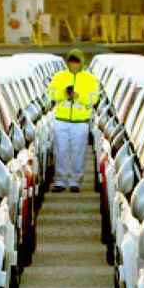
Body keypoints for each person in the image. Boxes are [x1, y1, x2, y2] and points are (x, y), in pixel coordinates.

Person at [48, 49, 99, 192]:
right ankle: (60, 181)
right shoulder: (59, 77)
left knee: (78, 152)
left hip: (80, 121)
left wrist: (78, 97)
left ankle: (75, 181)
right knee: (60, 151)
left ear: (81, 62)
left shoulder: (90, 79)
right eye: (71, 61)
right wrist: (63, 93)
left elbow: (94, 99)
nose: (73, 65)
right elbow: (51, 94)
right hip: (61, 120)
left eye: (76, 62)